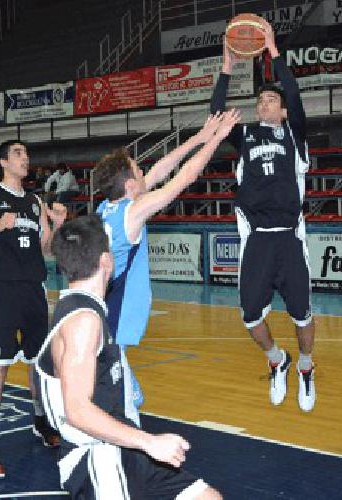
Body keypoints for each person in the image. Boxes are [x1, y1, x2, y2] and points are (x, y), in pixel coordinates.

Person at [36, 215, 222, 499]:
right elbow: (77, 411)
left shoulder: (87, 309)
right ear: (106, 260)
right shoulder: (82, 321)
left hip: (122, 445)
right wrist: (150, 442)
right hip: (98, 459)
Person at [91, 109, 241, 422]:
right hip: (117, 311)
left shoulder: (106, 206)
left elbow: (161, 170)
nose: (144, 172)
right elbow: (183, 178)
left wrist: (199, 137)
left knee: (113, 380)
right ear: (131, 184)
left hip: (104, 306)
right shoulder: (131, 212)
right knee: (120, 399)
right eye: (137, 169)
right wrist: (217, 140)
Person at [210, 22, 318, 412]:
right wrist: (226, 68)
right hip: (256, 238)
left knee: (302, 316)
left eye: (271, 101)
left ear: (284, 109)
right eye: (260, 103)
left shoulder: (294, 135)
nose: (264, 105)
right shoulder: (247, 138)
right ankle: (277, 359)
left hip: (290, 237)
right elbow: (217, 114)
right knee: (250, 315)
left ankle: (306, 366)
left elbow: (293, 91)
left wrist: (273, 50)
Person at [0, 140, 67, 480]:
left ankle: (41, 419)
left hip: (33, 287)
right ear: (4, 162)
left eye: (27, 154)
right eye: (18, 154)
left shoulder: (36, 201)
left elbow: (47, 249)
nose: (26, 159)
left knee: (39, 362)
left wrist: (59, 224)